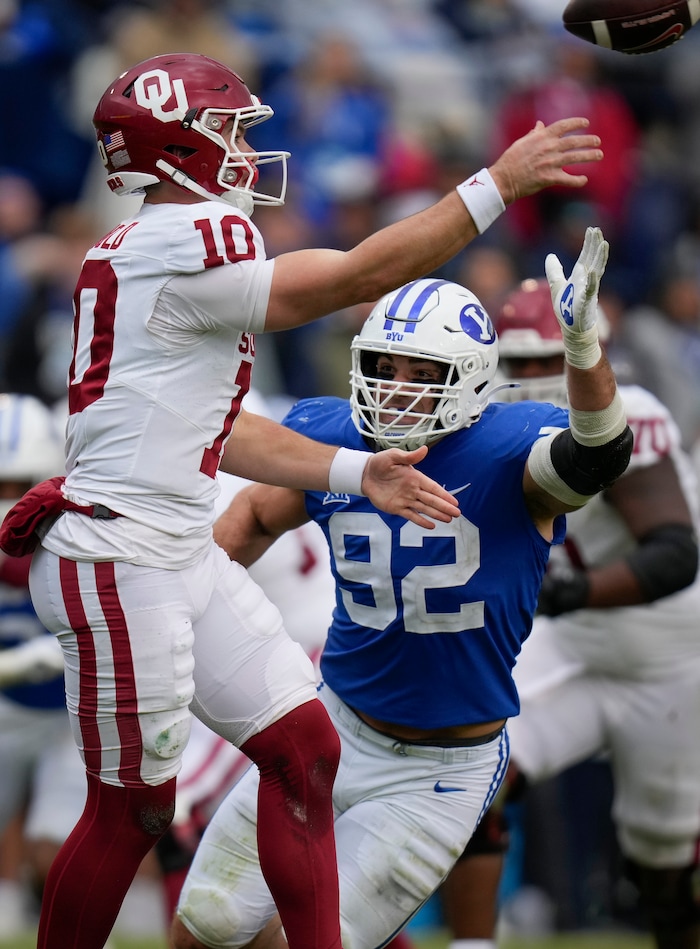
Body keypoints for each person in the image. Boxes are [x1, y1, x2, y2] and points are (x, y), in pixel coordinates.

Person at [0, 50, 605, 949]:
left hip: (173, 549)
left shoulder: (163, 250)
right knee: (133, 809)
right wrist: (497, 184)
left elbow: (217, 426)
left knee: (304, 752)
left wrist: (361, 472)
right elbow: (358, 278)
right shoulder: (179, 240)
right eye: (231, 130)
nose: (246, 148)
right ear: (181, 148)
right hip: (120, 553)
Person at [170, 224, 633, 949]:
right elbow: (254, 514)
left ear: (473, 377)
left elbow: (600, 454)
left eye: (421, 371)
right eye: (385, 363)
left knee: (302, 943)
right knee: (204, 930)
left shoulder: (512, 450)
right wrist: (181, 612)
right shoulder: (333, 433)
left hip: (439, 772)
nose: (396, 385)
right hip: (329, 728)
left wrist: (581, 349)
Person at [443, 277, 700, 949]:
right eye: (516, 362)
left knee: (663, 862)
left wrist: (570, 593)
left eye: (544, 361)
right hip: (573, 642)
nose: (529, 378)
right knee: (475, 772)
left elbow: (674, 554)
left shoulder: (631, 413)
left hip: (667, 654)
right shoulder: (488, 421)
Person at [0, 393, 67, 936]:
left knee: (61, 859)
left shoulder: (83, 536)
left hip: (73, 720)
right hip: (3, 716)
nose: (6, 503)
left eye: (18, 487)